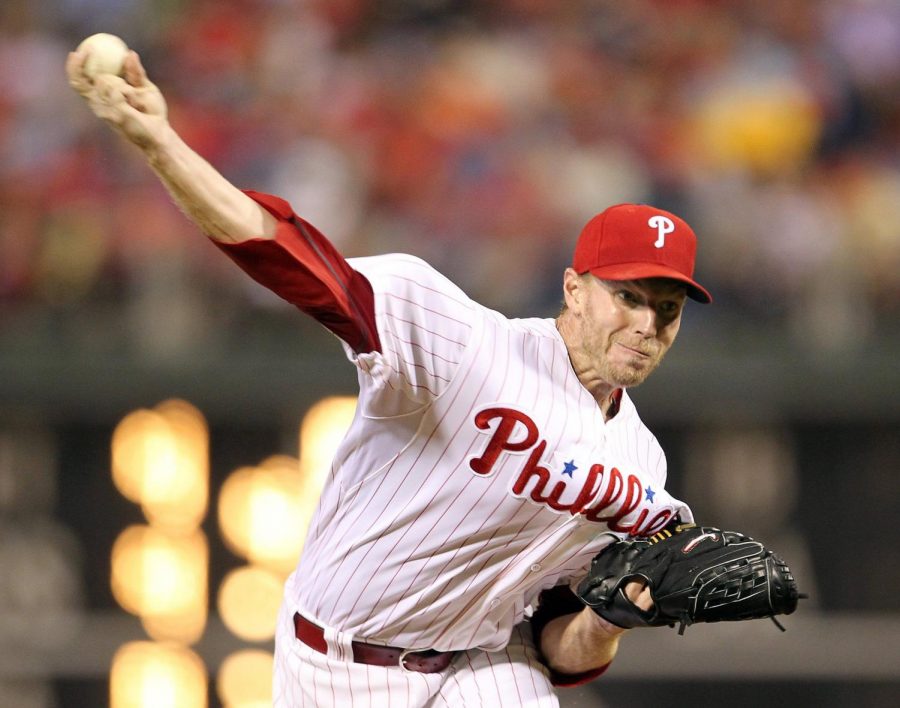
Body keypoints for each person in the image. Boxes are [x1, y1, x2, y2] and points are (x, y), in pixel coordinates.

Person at [67, 47, 713, 707]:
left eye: (666, 308)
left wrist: (610, 617)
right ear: (574, 291)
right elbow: (286, 254)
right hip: (337, 663)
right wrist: (160, 142)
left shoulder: (641, 468)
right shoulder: (463, 343)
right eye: (627, 297)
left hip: (480, 661)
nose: (646, 323)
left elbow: (555, 644)